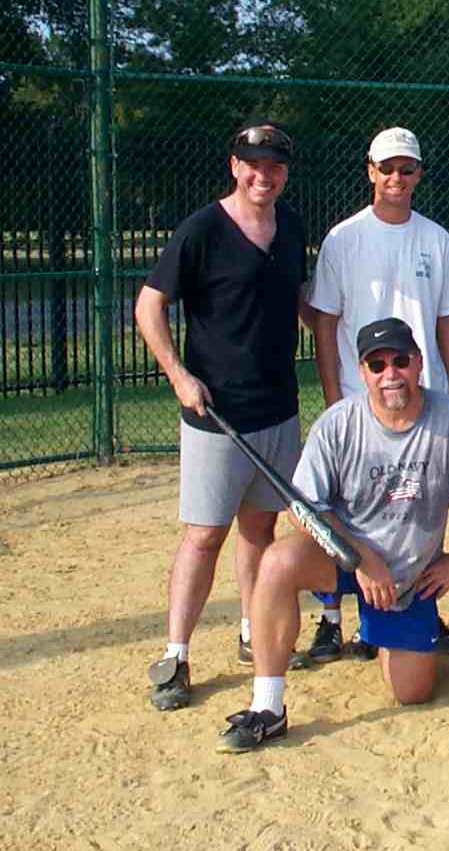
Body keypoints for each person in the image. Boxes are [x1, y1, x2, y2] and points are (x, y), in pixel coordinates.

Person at [216, 318, 449, 753]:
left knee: (411, 693)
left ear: (419, 363)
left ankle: (380, 632)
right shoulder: (339, 425)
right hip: (344, 556)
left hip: (408, 575)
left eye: (401, 361)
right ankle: (267, 708)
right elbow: (302, 508)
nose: (391, 374)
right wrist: (361, 557)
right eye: (377, 364)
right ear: (362, 371)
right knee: (277, 562)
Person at [136, 120, 309, 711]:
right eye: (253, 164)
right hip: (217, 413)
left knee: (260, 529)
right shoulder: (202, 230)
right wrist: (179, 375)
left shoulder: (290, 228)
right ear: (235, 166)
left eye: (276, 166)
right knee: (205, 535)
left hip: (278, 407)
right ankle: (177, 653)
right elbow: (149, 304)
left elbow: (303, 301)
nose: (264, 175)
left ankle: (248, 629)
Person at [304, 127, 449, 663]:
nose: (397, 179)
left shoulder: (434, 238)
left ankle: (410, 609)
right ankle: (332, 618)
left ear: (418, 174)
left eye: (407, 169)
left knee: (420, 503)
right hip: (364, 397)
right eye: (387, 169)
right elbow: (325, 322)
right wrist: (335, 393)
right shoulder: (344, 238)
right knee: (344, 505)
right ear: (370, 172)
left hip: (421, 396)